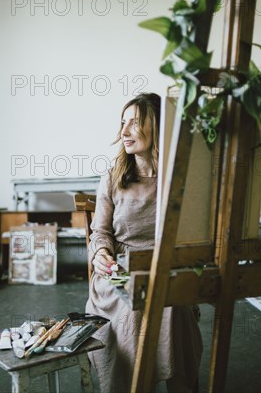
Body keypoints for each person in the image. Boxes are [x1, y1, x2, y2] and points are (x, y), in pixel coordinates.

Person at [85, 93, 202, 392]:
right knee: (137, 301)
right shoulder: (113, 177)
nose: (123, 132)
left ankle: (182, 387)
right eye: (123, 123)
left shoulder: (179, 179)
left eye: (134, 123)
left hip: (167, 268)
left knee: (171, 299)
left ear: (158, 127)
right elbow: (100, 232)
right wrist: (100, 252)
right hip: (120, 270)